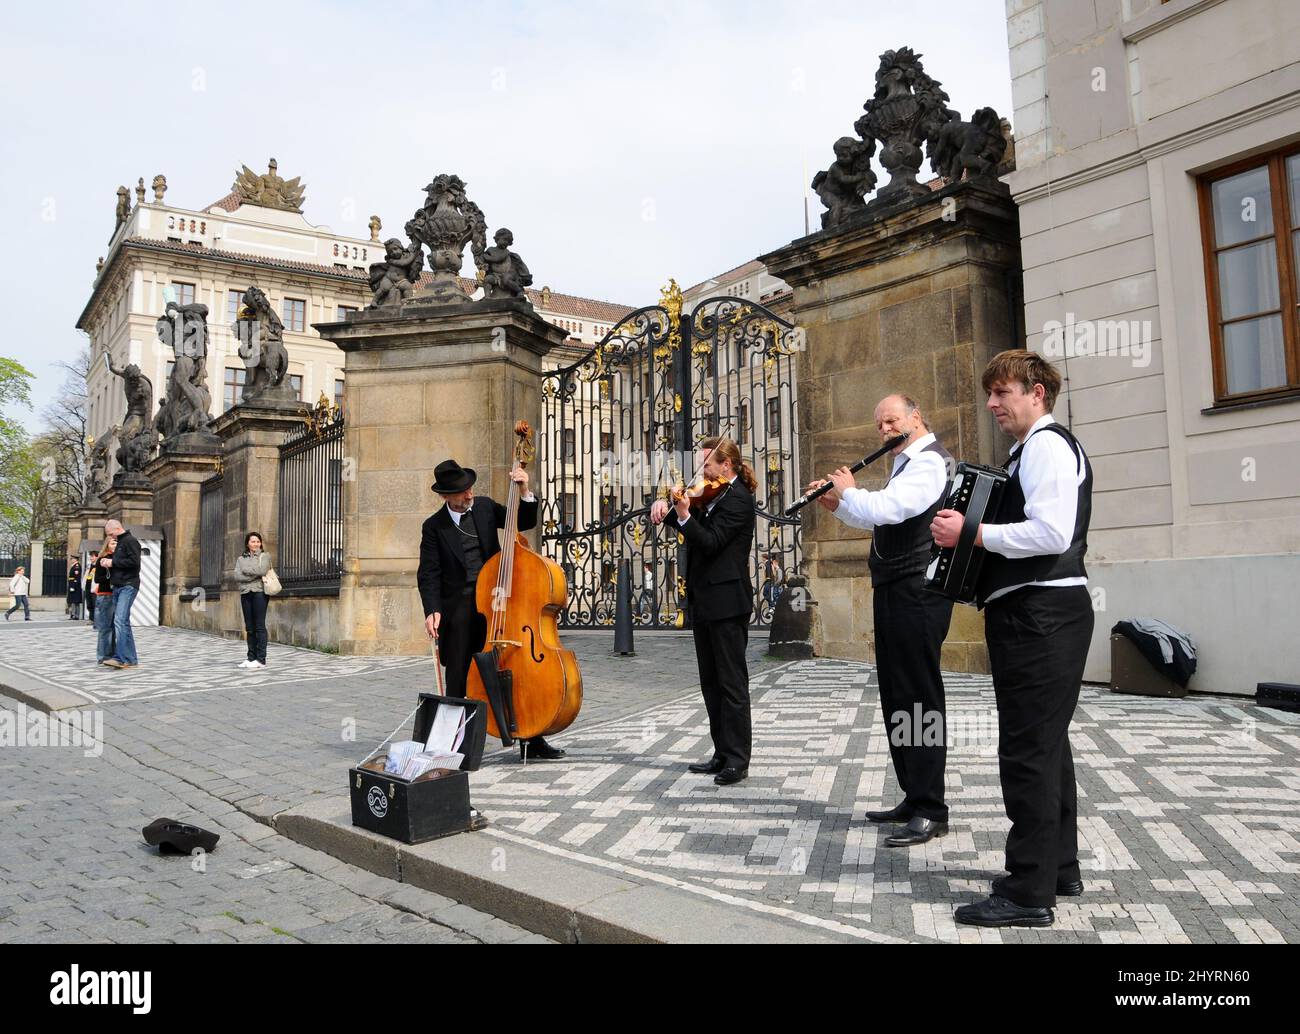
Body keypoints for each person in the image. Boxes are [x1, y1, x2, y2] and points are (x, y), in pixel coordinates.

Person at [931, 349, 1094, 929]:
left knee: (1026, 751)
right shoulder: (1033, 450)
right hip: (1039, 613)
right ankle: (1057, 868)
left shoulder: (1048, 445)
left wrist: (970, 533)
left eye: (1003, 393)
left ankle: (1028, 893)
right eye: (990, 394)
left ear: (1038, 393)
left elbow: (1051, 532)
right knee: (1047, 746)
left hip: (1041, 615)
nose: (993, 404)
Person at [807, 394, 954, 847]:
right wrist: (839, 505)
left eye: (892, 420)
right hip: (894, 587)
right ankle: (913, 794)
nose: (885, 430)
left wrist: (849, 488)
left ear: (916, 416)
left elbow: (890, 509)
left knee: (919, 695)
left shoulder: (930, 462)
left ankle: (931, 806)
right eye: (879, 424)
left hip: (919, 592)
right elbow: (883, 521)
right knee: (896, 693)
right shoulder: (904, 465)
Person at [416, 458, 564, 761]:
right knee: (458, 672)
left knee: (512, 667)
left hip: (497, 600)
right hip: (459, 609)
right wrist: (432, 610)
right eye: (461, 492)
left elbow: (521, 521)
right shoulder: (434, 527)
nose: (469, 495)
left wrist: (524, 490)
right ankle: (454, 745)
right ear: (445, 496)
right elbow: (428, 573)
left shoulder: (484, 507)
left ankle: (531, 738)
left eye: (470, 488)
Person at [650, 437, 757, 786]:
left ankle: (738, 759)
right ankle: (721, 752)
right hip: (705, 600)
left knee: (731, 684)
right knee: (711, 683)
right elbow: (684, 516)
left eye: (707, 464)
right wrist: (662, 507)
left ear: (726, 465)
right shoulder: (709, 493)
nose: (702, 471)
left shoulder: (739, 499)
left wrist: (682, 514)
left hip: (728, 603)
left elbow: (709, 541)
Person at [98, 519, 141, 670]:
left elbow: (135, 562)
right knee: (123, 623)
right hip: (118, 586)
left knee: (120, 621)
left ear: (117, 528)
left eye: (111, 534)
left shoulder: (130, 541)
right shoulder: (121, 543)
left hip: (128, 586)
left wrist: (112, 563)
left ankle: (122, 658)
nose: (111, 537)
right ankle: (128, 658)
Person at [234, 532, 272, 670]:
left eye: (257, 541)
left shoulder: (265, 556)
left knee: (259, 626)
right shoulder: (240, 559)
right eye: (252, 541)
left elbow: (262, 571)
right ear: (247, 543)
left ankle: (261, 659)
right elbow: (237, 575)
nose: (255, 544)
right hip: (245, 593)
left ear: (260, 543)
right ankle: (251, 657)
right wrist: (252, 574)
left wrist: (246, 572)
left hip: (259, 593)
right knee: (249, 627)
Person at [92, 538, 116, 663]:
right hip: (105, 594)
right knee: (105, 627)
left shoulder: (118, 558)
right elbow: (97, 579)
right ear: (107, 546)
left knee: (114, 626)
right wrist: (110, 577)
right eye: (112, 543)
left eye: (117, 543)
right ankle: (103, 656)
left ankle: (112, 654)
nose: (115, 545)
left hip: (115, 595)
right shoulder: (102, 560)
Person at [84, 554, 98, 622]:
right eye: (90, 556)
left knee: (95, 604)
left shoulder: (98, 565)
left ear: (97, 557)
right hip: (87, 587)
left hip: (94, 588)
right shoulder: (89, 566)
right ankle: (91, 619)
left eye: (93, 556)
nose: (91, 558)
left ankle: (96, 620)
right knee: (89, 604)